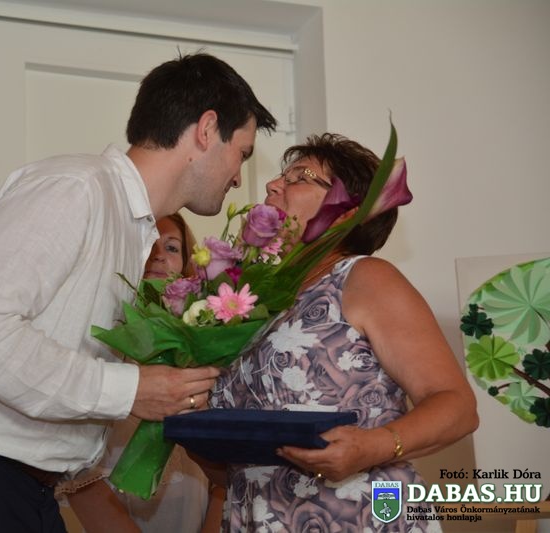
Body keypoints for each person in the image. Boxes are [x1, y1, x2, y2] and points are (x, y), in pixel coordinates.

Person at [0, 52, 277, 533]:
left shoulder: (131, 230)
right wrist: (130, 390)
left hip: (18, 488)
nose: (238, 176)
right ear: (206, 129)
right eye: (242, 153)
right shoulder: (76, 187)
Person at [202, 133, 478, 532]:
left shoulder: (365, 278)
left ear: (347, 212)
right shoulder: (251, 299)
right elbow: (232, 467)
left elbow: (457, 406)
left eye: (300, 177)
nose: (273, 185)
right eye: (281, 175)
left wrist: (373, 446)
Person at [60, 213, 222, 533]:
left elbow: (226, 466)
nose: (158, 255)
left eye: (172, 247)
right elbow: (72, 464)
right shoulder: (93, 336)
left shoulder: (210, 343)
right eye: (148, 243)